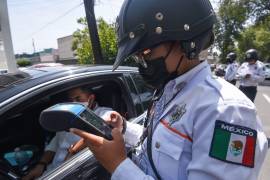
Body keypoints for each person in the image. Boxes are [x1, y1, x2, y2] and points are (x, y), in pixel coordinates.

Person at [70, 0, 268, 179]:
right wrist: (124, 127)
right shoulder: (171, 90)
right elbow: (160, 145)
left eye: (146, 51)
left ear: (186, 40)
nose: (142, 62)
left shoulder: (228, 112)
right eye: (137, 55)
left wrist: (118, 166)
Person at [23, 86, 113, 180]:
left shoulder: (103, 113)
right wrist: (41, 165)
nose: (74, 103)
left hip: (77, 172)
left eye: (78, 98)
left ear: (91, 98)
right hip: (51, 171)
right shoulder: (66, 115)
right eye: (71, 99)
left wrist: (73, 151)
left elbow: (104, 127)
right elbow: (54, 145)